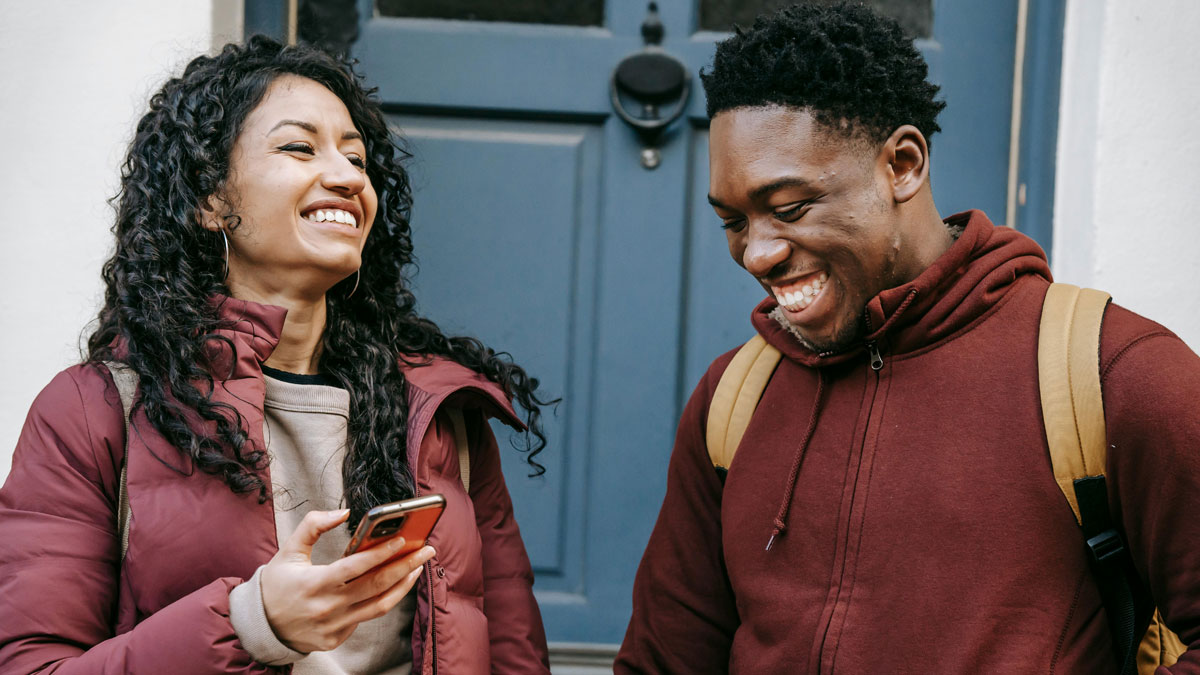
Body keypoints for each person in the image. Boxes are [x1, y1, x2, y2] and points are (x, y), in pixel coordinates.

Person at [616, 4, 1199, 673]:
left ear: (902, 164)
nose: (757, 253)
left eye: (789, 208)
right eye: (733, 220)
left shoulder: (1111, 372)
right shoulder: (735, 396)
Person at [0, 36, 553, 674]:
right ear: (211, 201)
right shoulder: (94, 412)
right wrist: (252, 625)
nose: (348, 177)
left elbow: (514, 656)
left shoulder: (439, 410)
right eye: (299, 147)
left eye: (357, 158)